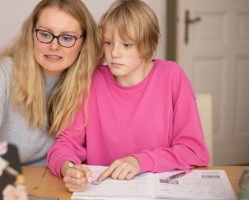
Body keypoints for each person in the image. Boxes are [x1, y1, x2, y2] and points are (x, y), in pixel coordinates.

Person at [47, 0, 210, 191]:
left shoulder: (172, 76)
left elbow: (193, 151)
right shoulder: (92, 80)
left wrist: (139, 162)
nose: (114, 53)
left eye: (126, 44)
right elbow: (65, 144)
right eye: (108, 43)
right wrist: (69, 169)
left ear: (147, 45)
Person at [0, 0, 99, 166]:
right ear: (32, 34)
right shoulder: (3, 70)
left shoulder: (92, 81)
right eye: (45, 34)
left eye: (67, 38)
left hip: (54, 181)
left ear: (83, 42)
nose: (54, 46)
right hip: (0, 175)